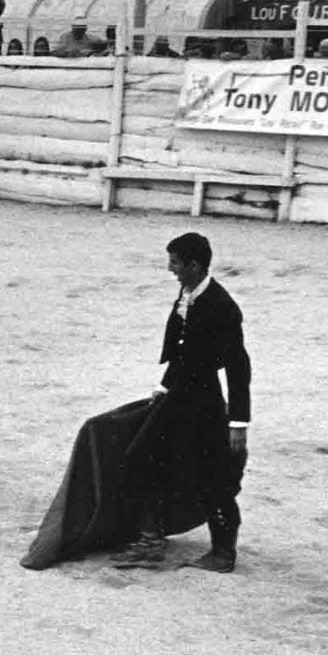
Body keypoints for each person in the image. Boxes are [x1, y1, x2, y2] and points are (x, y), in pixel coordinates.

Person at [111, 233, 251, 573]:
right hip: (178, 398)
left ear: (194, 264)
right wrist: (163, 385)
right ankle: (150, 540)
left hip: (204, 405)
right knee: (143, 459)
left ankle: (222, 553)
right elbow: (183, 350)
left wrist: (238, 422)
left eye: (175, 262)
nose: (170, 269)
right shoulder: (188, 292)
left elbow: (237, 366)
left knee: (212, 476)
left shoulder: (222, 306)